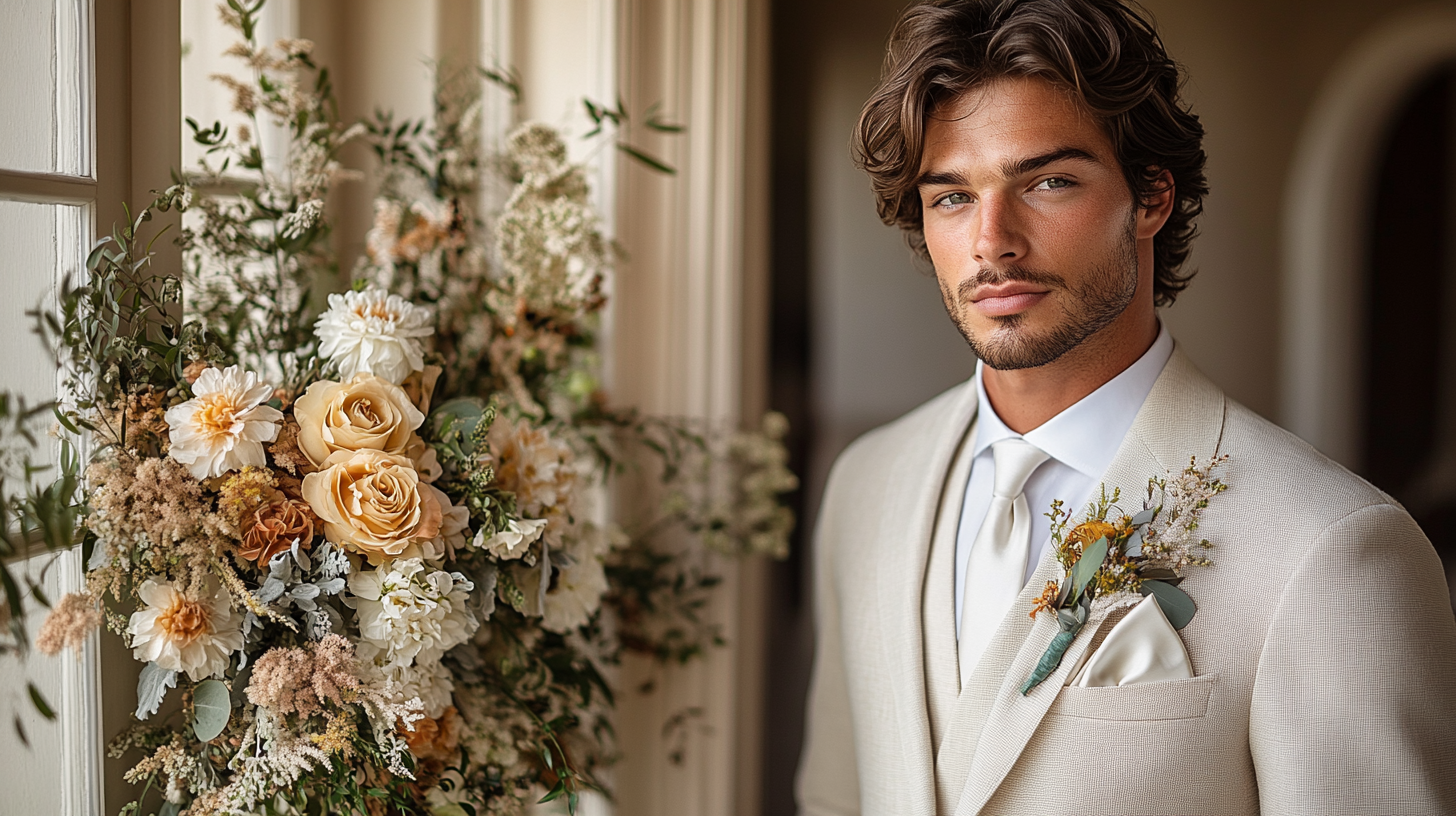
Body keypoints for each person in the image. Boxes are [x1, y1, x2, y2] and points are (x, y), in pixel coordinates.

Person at [794, 1, 1456, 814]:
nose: (993, 241)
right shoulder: (867, 485)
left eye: (1047, 181)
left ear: (1150, 198)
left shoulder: (1333, 549)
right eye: (953, 197)